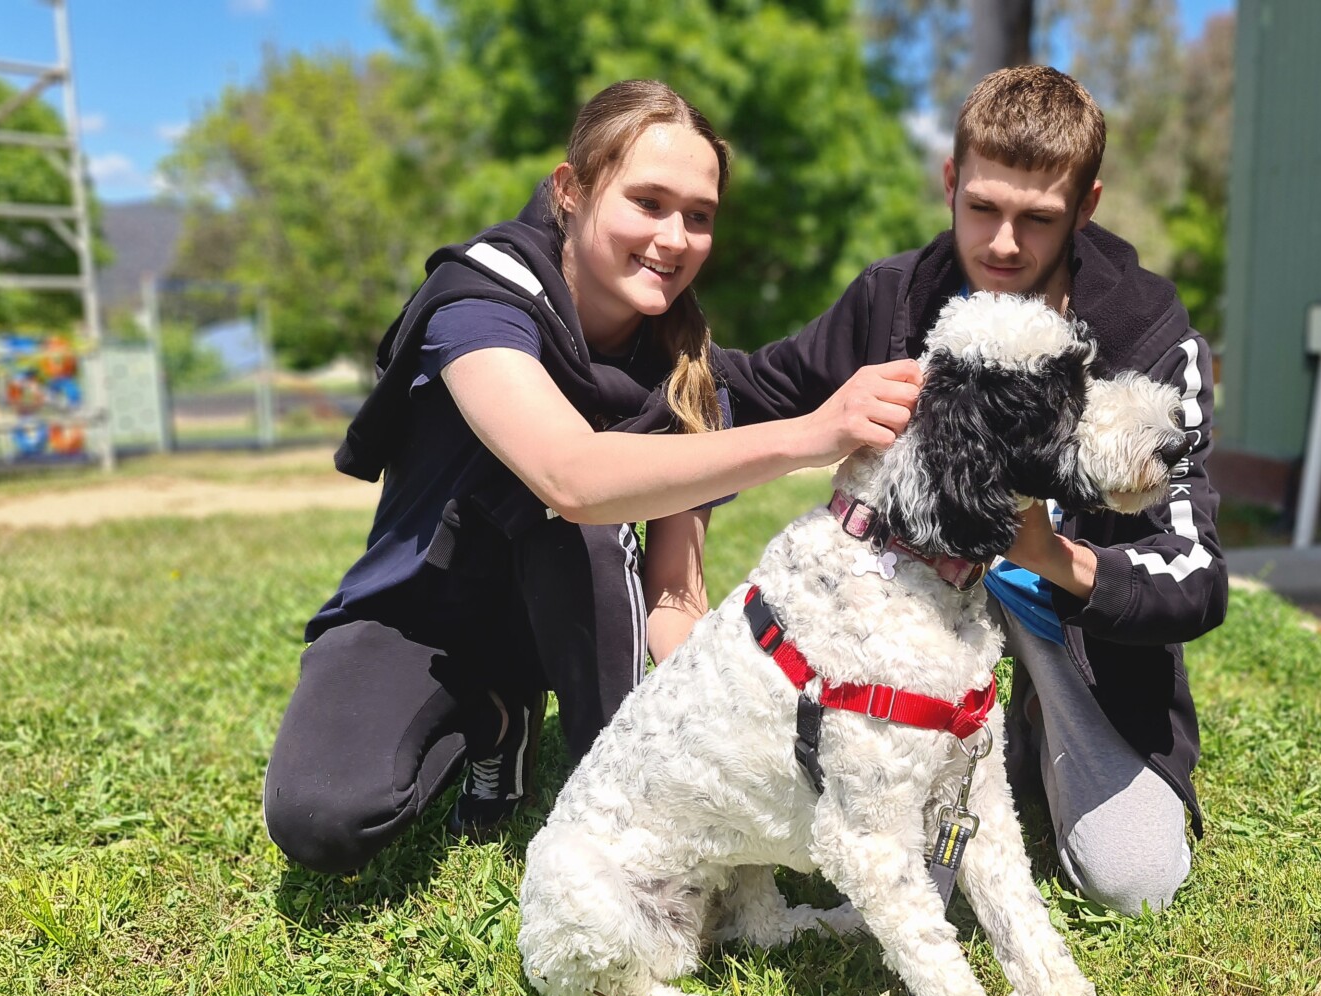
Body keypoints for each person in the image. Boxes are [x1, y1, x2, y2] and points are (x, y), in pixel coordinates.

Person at [261, 80, 921, 876]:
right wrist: (812, 435)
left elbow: (675, 593)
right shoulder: (482, 301)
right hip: (418, 617)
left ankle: (610, 794)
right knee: (322, 815)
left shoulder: (686, 371)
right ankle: (495, 715)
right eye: (647, 202)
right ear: (570, 192)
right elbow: (570, 474)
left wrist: (713, 741)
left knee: (599, 535)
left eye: (699, 215)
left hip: (560, 615)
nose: (674, 237)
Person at [702, 66, 1228, 915]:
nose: (1005, 243)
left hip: (1067, 626)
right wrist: (616, 344)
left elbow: (1199, 575)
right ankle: (950, 764)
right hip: (915, 616)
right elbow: (749, 387)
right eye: (982, 207)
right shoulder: (892, 298)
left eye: (1039, 218)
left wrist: (1052, 556)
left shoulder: (1148, 327)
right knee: (902, 868)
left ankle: (1031, 735)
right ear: (950, 183)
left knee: (1132, 880)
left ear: (1086, 207)